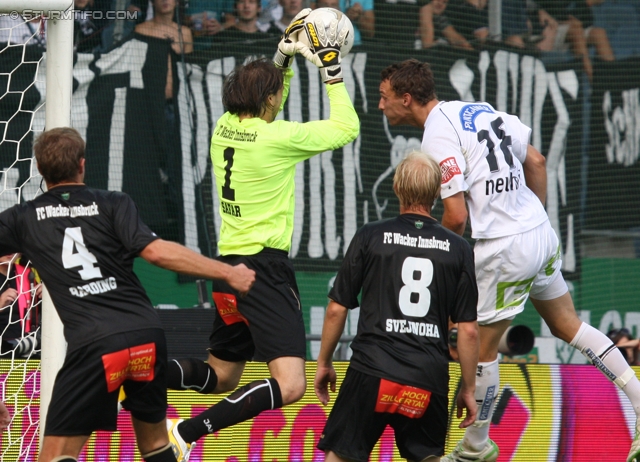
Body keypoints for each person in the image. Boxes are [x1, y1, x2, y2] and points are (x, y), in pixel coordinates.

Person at [378, 59, 640, 462]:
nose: (381, 106)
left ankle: (476, 447)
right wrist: (532, 223)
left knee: (481, 351)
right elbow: (535, 161)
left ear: (406, 98)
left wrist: (445, 267)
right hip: (539, 231)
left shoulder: (437, 135)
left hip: (502, 247)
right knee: (569, 326)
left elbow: (457, 215)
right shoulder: (477, 109)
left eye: (384, 97)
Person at [164, 13, 359, 462]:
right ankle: (185, 432)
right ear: (269, 100)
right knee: (291, 384)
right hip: (263, 272)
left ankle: (140, 376)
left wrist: (282, 57)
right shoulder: (275, 138)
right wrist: (330, 69)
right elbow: (347, 128)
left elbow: (268, 100)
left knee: (222, 375)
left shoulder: (223, 127)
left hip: (227, 268)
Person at [0, 127, 256, 462]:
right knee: (155, 446)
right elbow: (158, 252)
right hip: (146, 338)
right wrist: (227, 271)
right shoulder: (113, 203)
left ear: (39, 169)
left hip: (96, 345)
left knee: (55, 456)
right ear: (82, 164)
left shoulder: (22, 218)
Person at [314, 150, 480, 462]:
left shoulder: (370, 235)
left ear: (397, 187)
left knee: (340, 456)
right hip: (427, 378)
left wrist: (324, 363)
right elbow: (468, 331)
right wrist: (469, 388)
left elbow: (337, 308)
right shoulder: (459, 248)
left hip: (371, 372)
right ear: (436, 192)